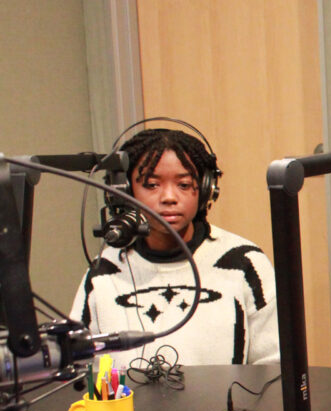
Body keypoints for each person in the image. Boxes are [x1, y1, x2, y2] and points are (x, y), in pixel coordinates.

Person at [70, 127, 279, 371]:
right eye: (151, 184)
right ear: (125, 192)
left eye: (183, 184)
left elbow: (274, 364)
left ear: (206, 188)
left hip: (228, 409)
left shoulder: (243, 262)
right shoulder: (104, 270)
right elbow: (78, 369)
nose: (169, 197)